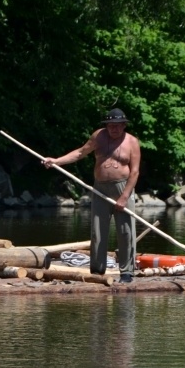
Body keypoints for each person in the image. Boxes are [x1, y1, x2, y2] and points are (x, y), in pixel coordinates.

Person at [42, 108, 140, 283]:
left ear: (124, 125)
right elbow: (80, 153)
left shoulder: (132, 142)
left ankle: (127, 272)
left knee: (126, 231)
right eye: (111, 125)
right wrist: (56, 161)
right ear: (106, 126)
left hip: (122, 188)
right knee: (98, 231)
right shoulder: (98, 136)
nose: (114, 129)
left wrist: (125, 196)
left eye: (118, 125)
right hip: (100, 188)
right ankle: (97, 270)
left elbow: (134, 172)